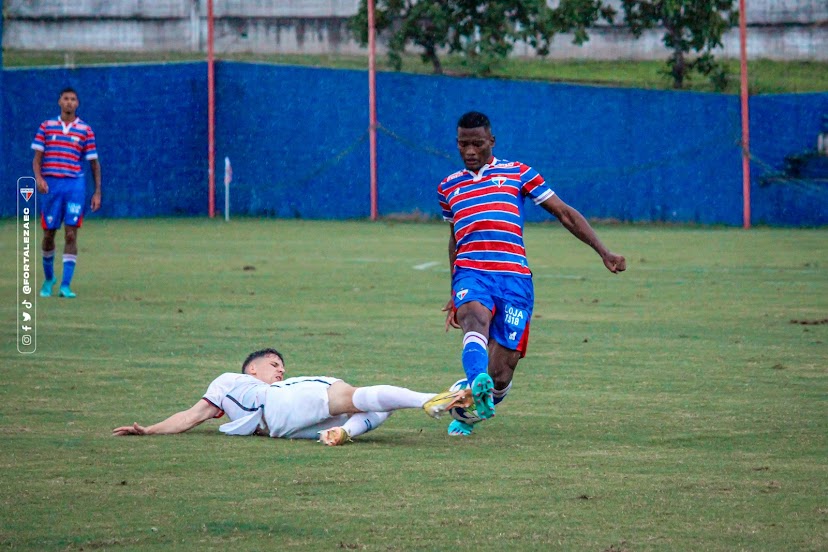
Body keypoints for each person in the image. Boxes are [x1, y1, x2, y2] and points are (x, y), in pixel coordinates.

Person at [437, 111, 626, 436]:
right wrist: (455, 286)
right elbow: (455, 238)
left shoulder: (518, 174)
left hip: (514, 280)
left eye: (477, 144)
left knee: (502, 372)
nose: (470, 151)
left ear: (491, 142)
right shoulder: (448, 187)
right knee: (472, 317)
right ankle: (475, 379)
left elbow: (565, 213)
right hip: (472, 273)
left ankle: (471, 402)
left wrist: (604, 251)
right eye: (463, 144)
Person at [112, 348, 472, 446]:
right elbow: (190, 417)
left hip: (283, 425)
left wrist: (150, 431)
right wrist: (150, 430)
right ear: (250, 369)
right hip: (280, 415)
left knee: (374, 404)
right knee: (359, 398)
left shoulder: (275, 386)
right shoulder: (229, 381)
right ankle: (431, 398)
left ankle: (427, 400)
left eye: (282, 366)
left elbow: (192, 418)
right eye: (273, 364)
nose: (280, 370)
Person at [32, 87, 102, 299]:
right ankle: (48, 278)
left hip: (74, 186)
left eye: (73, 99)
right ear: (59, 102)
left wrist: (97, 192)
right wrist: (39, 178)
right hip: (52, 186)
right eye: (66, 99)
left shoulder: (85, 130)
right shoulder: (47, 126)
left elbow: (94, 163)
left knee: (71, 233)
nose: (69, 102)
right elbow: (37, 159)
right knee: (48, 234)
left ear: (77, 104)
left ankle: (65, 285)